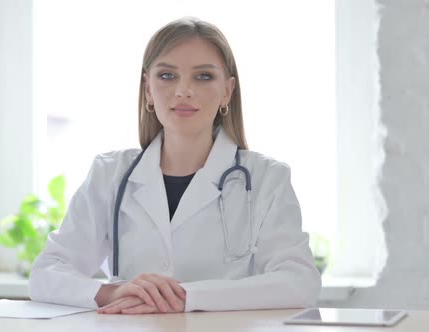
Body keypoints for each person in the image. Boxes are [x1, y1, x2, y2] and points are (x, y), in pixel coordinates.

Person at [29, 17, 321, 314]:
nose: (184, 90)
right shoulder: (110, 173)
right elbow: (46, 275)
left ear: (227, 92)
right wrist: (113, 292)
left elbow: (299, 283)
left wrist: (185, 297)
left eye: (203, 76)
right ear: (147, 89)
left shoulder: (266, 177)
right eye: (167, 76)